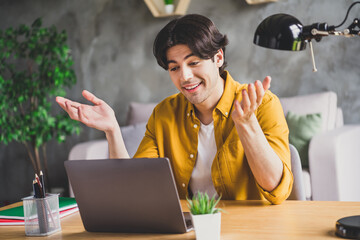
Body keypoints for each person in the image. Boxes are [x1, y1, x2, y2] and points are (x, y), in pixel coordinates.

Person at [56, 14, 293, 205]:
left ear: (218, 57)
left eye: (193, 63)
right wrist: (112, 130)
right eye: (174, 68)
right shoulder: (164, 114)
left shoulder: (262, 104)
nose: (185, 77)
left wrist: (246, 124)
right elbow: (134, 189)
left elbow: (276, 189)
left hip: (250, 228)